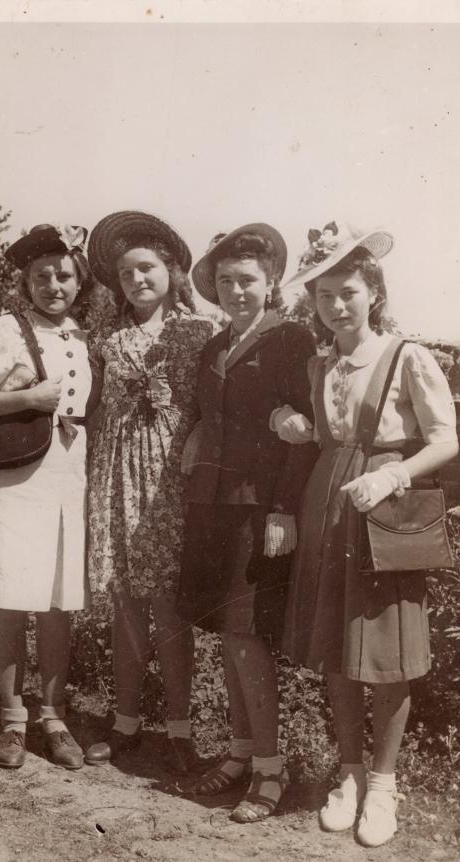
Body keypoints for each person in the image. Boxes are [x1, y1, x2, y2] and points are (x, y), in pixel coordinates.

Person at [273, 221, 459, 847]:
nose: (335, 306)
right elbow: (319, 433)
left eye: (347, 292)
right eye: (324, 296)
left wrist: (395, 475)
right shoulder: (317, 362)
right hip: (327, 503)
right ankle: (347, 773)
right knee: (336, 648)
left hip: (385, 509)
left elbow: (446, 439)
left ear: (373, 291)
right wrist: (291, 417)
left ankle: (384, 786)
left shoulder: (407, 356)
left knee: (385, 653)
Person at [176, 224, 318, 822]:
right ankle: (238, 755)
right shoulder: (213, 348)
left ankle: (269, 769)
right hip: (212, 505)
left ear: (271, 283)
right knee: (227, 635)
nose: (237, 291)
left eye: (248, 281)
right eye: (226, 282)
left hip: (260, 508)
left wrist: (283, 507)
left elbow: (306, 435)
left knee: (246, 635)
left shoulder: (291, 340)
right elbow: (208, 420)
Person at [0, 224, 93, 770]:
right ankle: (13, 719)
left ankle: (53, 716)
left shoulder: (84, 337)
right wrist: (30, 396)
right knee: (12, 596)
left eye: (64, 275)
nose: (54, 285)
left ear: (79, 281)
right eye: (42, 276)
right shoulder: (3, 328)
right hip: (14, 476)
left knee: (59, 600)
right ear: (26, 281)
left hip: (66, 475)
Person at [83, 211, 215, 773]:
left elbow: (217, 406)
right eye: (126, 273)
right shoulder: (108, 341)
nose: (137, 279)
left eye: (147, 268)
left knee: (169, 606)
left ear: (171, 270)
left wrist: (200, 433)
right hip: (117, 479)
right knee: (127, 604)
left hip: (171, 481)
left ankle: (181, 730)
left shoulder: (199, 331)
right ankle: (127, 721)